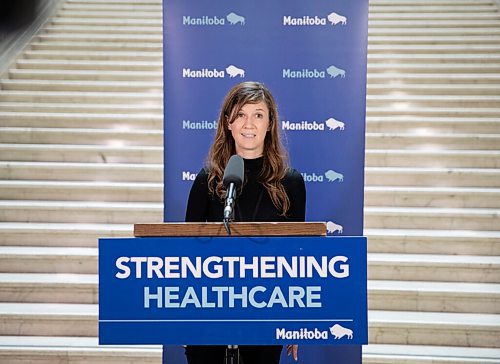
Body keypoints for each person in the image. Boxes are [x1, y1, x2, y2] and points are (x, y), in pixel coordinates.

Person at [183, 81, 305, 364]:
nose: (249, 123)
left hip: (266, 315)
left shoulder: (291, 183)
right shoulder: (207, 181)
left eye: (258, 115)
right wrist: (185, 320)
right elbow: (186, 254)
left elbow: (299, 258)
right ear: (228, 122)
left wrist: (297, 321)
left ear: (270, 123)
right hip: (209, 314)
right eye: (241, 114)